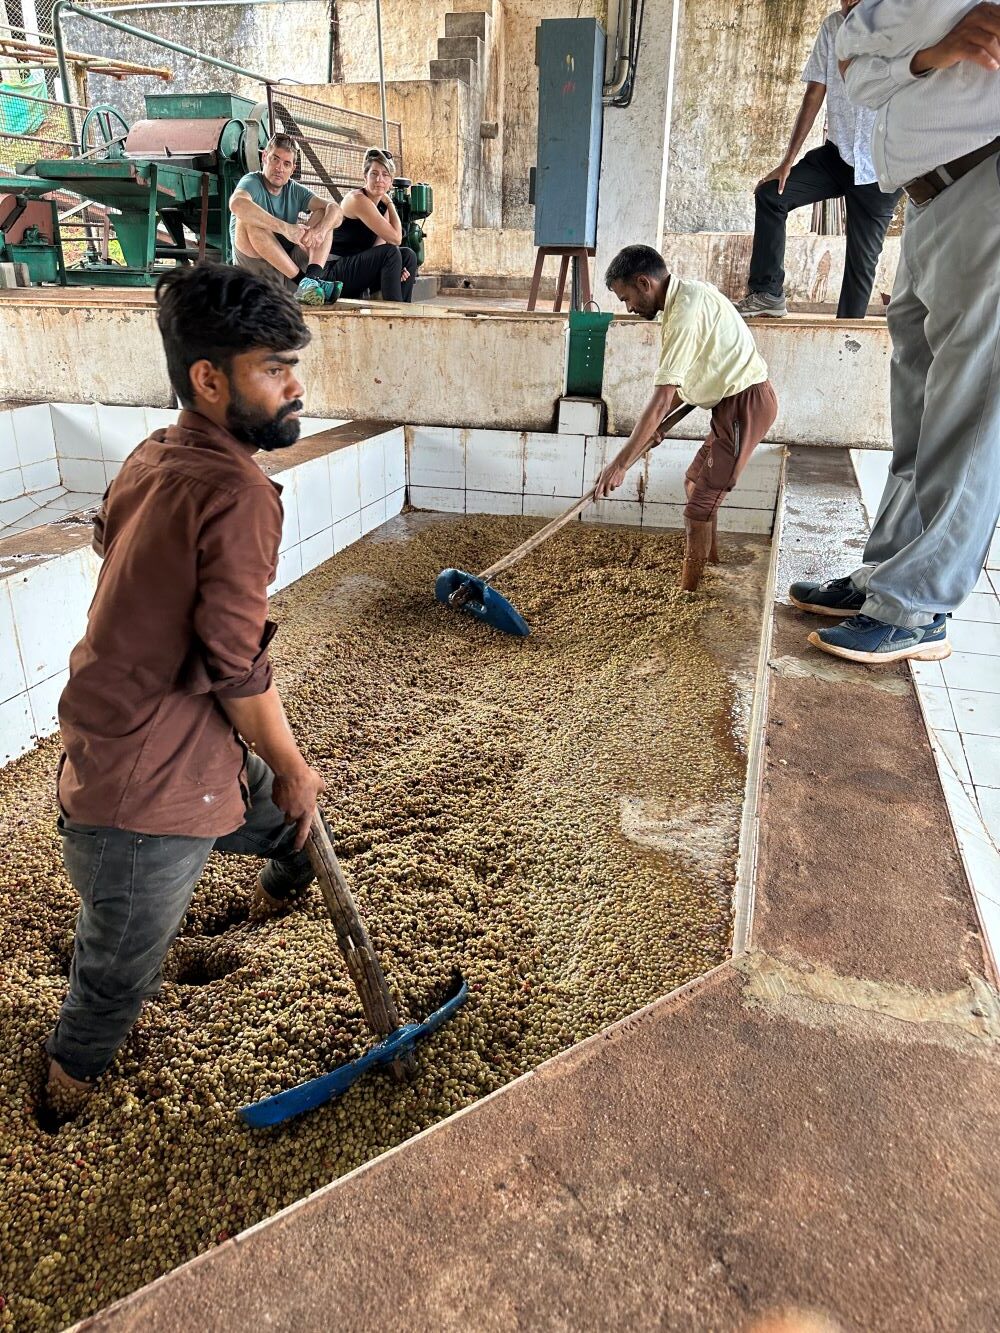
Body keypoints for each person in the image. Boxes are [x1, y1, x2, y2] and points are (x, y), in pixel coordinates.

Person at [44, 264, 326, 1121]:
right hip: (143, 798)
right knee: (113, 979)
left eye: (292, 366)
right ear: (209, 379)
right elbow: (235, 664)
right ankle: (61, 1099)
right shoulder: (240, 494)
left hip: (150, 742)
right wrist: (291, 761)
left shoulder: (155, 452)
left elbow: (108, 540)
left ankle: (272, 897)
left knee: (295, 827)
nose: (296, 388)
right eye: (274, 369)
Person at [789, 0, 1000, 664]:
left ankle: (918, 606)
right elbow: (858, 77)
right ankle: (886, 575)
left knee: (968, 410)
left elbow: (867, 51)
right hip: (929, 198)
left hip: (985, 182)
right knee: (915, 402)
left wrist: (885, 49)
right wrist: (928, 54)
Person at [597, 245, 778, 592]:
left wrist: (619, 465)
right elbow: (690, 381)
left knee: (699, 507)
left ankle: (689, 592)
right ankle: (711, 562)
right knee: (694, 483)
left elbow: (663, 396)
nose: (629, 308)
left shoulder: (683, 312)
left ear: (644, 282)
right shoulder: (689, 295)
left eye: (626, 298)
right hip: (731, 406)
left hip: (745, 406)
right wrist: (660, 425)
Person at [735, 0, 901, 320]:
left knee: (861, 263)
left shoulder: (900, 23)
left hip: (881, 167)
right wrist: (787, 160)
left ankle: (846, 333)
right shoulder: (832, 27)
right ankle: (768, 294)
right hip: (837, 155)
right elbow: (815, 91)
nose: (848, 2)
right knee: (771, 194)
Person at [229, 132, 343, 306]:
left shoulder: (294, 189)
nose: (279, 168)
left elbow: (336, 211)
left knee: (324, 213)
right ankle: (304, 282)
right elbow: (236, 204)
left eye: (286, 164)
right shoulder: (252, 181)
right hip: (256, 274)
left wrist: (321, 231)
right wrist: (285, 228)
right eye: (275, 159)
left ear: (293, 169)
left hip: (288, 272)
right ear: (264, 157)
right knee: (248, 220)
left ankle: (311, 279)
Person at [325, 147, 419, 303]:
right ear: (365, 177)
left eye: (385, 175)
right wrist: (390, 202)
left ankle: (402, 309)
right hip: (333, 272)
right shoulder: (357, 199)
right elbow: (396, 238)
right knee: (391, 252)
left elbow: (378, 248)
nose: (379, 179)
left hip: (357, 270)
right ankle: (395, 310)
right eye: (374, 174)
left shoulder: (382, 206)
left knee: (408, 256)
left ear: (390, 181)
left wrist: (397, 268)